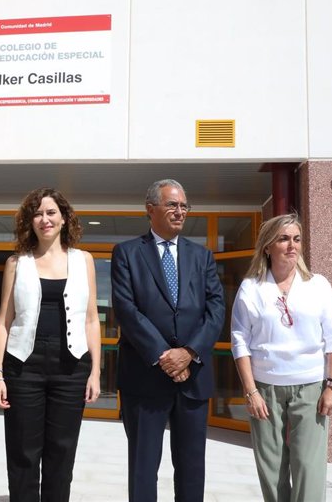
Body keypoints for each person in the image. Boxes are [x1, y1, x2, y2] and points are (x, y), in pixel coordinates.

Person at [111, 179, 225, 502]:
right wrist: (165, 356)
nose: (180, 211)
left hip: (193, 380)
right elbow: (126, 310)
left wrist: (189, 353)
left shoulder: (202, 257)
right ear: (150, 210)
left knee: (191, 468)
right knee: (143, 469)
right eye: (172, 205)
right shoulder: (127, 254)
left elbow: (216, 310)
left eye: (184, 206)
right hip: (144, 379)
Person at [0, 187, 101, 502]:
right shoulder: (16, 262)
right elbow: (3, 322)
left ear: (65, 218)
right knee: (23, 451)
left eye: (51, 212)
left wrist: (94, 372)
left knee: (62, 452)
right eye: (38, 213)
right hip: (23, 365)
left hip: (71, 366)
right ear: (31, 221)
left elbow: (92, 319)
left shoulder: (85, 261)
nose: (44, 219)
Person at [230, 213, 332, 502]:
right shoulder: (251, 288)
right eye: (283, 239)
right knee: (271, 468)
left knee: (308, 466)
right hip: (265, 388)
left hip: (311, 387)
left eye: (296, 239)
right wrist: (251, 392)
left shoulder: (318, 285)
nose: (291, 245)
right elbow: (240, 342)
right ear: (268, 246)